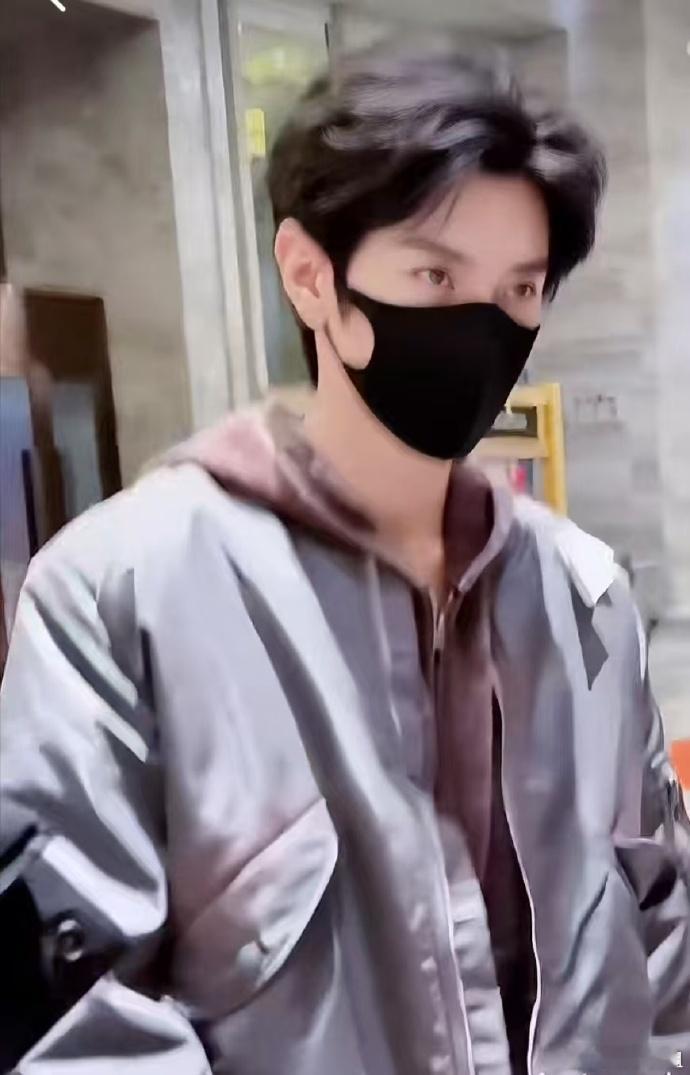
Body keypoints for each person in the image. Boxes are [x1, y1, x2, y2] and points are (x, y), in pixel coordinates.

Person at [1, 41, 688, 1075]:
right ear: (309, 275)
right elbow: (74, 1021)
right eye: (434, 275)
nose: (484, 326)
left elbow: (663, 943)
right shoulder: (122, 594)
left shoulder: (585, 598)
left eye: (521, 288)